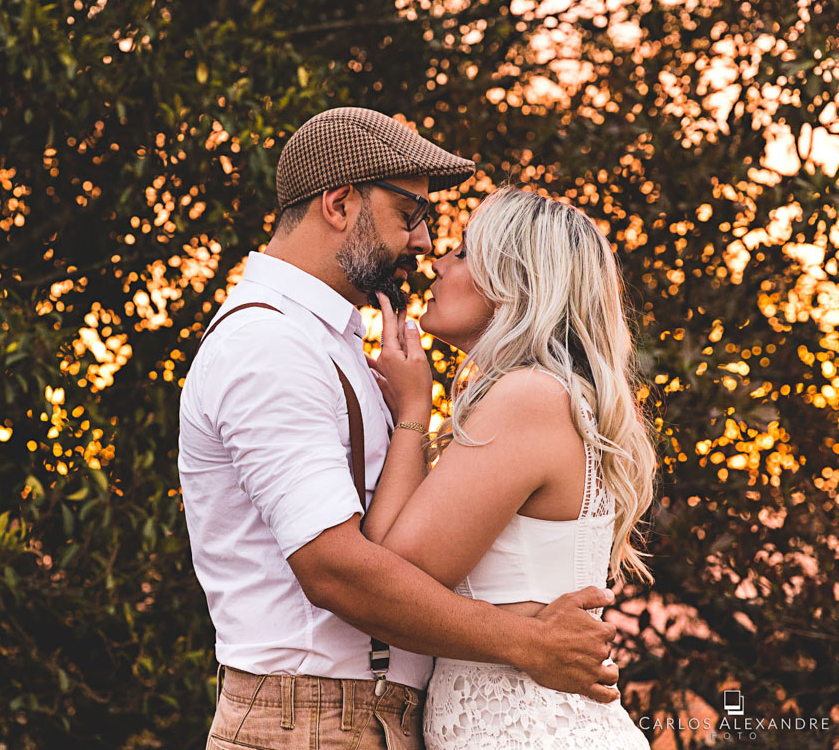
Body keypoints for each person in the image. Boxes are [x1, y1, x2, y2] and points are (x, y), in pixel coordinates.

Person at [178, 108, 621, 750]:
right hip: (307, 721)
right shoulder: (270, 345)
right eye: (411, 214)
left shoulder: (344, 350)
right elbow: (336, 569)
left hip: (375, 718)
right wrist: (528, 640)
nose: (423, 243)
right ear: (339, 203)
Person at [363, 186, 656, 749]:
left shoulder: (529, 398)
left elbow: (390, 580)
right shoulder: (554, 398)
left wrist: (413, 414)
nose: (439, 260)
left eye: (466, 251)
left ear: (515, 282)